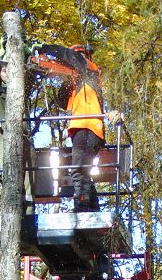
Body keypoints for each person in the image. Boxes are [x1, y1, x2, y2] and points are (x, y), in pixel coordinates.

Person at [29, 42, 117, 212]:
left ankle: (82, 208)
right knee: (83, 172)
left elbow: (70, 56)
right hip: (86, 130)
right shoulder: (79, 82)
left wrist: (46, 48)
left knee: (78, 171)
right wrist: (60, 75)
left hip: (87, 127)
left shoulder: (88, 68)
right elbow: (62, 101)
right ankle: (92, 208)